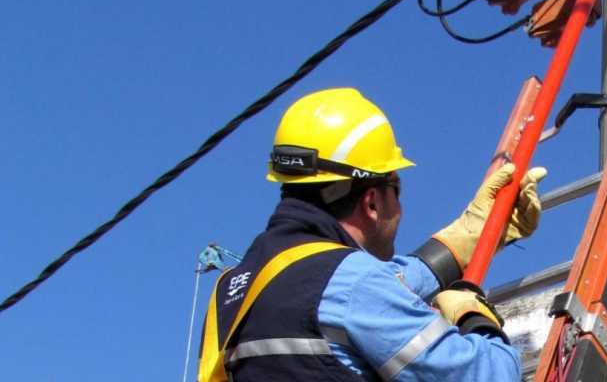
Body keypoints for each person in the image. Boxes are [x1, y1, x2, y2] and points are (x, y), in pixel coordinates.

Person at [197, 87, 547, 382]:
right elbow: (491, 375)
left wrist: (471, 233)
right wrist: (474, 316)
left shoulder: (233, 288)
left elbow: (382, 283)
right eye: (397, 187)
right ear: (372, 201)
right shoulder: (353, 284)